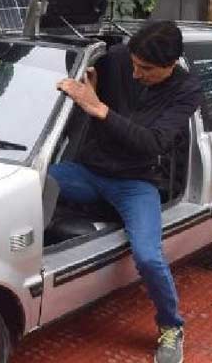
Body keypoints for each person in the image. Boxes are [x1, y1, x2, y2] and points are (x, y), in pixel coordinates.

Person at [49, 20, 203, 363]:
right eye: (134, 64)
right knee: (31, 184)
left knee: (148, 256)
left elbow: (153, 143)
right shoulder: (119, 58)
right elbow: (71, 66)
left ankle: (171, 327)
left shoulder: (187, 89)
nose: (135, 74)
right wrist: (88, 78)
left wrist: (98, 108)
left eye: (146, 69)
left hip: (136, 183)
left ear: (170, 64)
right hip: (88, 172)